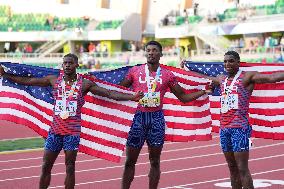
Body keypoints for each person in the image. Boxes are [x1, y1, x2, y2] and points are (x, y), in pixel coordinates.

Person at [0, 53, 143, 189]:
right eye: (65, 63)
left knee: (70, 167)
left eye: (70, 63)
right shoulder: (53, 80)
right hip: (55, 132)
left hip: (72, 133)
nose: (67, 65)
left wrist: (132, 97)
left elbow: (109, 94)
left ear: (77, 65)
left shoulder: (85, 84)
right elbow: (28, 81)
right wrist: (5, 74)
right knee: (46, 166)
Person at [181, 50, 284, 189]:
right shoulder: (221, 79)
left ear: (238, 62)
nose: (227, 64)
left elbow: (272, 78)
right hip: (224, 129)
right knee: (232, 168)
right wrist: (187, 67)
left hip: (240, 129)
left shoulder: (247, 77)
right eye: (225, 61)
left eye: (231, 61)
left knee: (242, 168)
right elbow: (203, 76)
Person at [119, 41, 212, 189]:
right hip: (137, 119)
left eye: (154, 50)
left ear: (161, 54)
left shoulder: (168, 75)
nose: (151, 53)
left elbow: (183, 97)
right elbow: (118, 89)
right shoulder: (134, 72)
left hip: (156, 119)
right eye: (148, 50)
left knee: (155, 161)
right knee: (130, 161)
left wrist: (203, 92)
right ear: (145, 53)